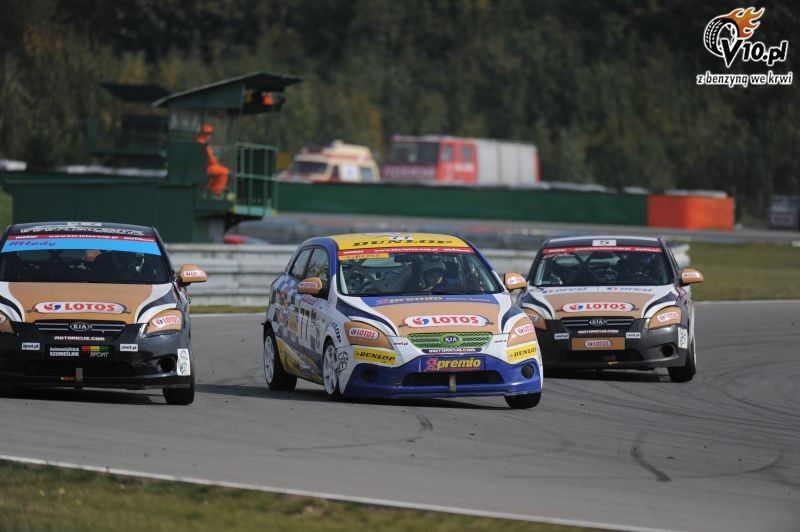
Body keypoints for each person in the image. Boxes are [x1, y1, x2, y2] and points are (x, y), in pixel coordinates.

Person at [195, 124, 230, 197]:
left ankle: (208, 190)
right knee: (225, 172)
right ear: (206, 134)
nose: (210, 136)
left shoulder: (197, 141)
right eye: (209, 134)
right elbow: (211, 160)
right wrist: (216, 163)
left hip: (199, 167)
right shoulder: (203, 144)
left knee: (216, 171)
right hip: (203, 168)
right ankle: (215, 193)